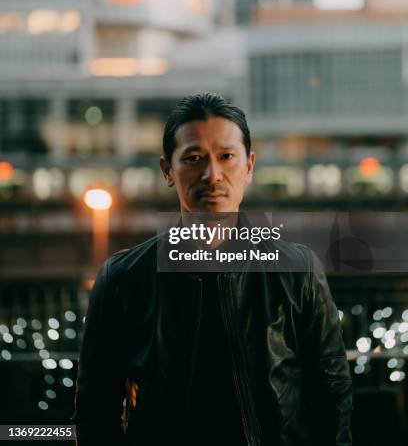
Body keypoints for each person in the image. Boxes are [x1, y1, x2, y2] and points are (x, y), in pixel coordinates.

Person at [73, 92, 353, 445]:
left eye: (226, 157)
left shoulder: (298, 271)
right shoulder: (123, 279)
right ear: (167, 171)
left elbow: (332, 397)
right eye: (193, 158)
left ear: (249, 166)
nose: (212, 174)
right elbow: (95, 410)